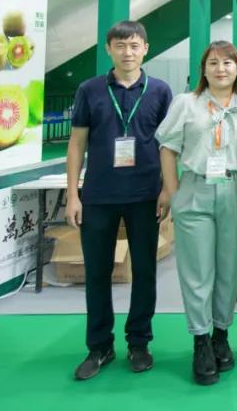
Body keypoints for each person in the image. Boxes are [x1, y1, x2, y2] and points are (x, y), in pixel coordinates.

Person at [64, 20, 174, 381]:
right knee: (97, 272)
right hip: (98, 196)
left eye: (134, 45)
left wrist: (166, 189)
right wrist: (73, 194)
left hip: (145, 196)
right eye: (120, 45)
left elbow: (168, 145)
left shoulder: (160, 91)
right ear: (108, 49)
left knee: (145, 271)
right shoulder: (90, 89)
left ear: (146, 49)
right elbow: (77, 144)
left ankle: (139, 343)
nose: (128, 52)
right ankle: (99, 346)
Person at [156, 41, 237, 386]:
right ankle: (200, 340)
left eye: (228, 63)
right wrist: (173, 192)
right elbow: (167, 148)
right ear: (204, 69)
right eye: (213, 63)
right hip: (194, 189)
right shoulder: (186, 103)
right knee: (197, 271)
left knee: (228, 267)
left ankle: (221, 335)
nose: (221, 69)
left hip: (234, 189)